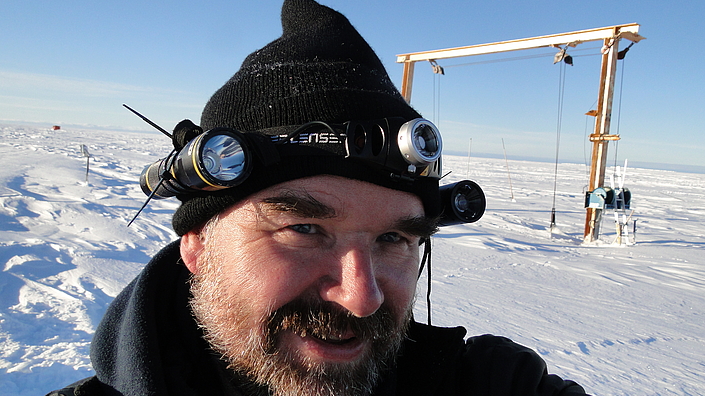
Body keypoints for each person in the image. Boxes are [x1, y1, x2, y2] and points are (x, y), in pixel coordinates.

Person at [48, 1, 588, 395]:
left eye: (394, 238)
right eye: (305, 230)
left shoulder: (491, 384)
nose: (362, 297)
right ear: (197, 245)